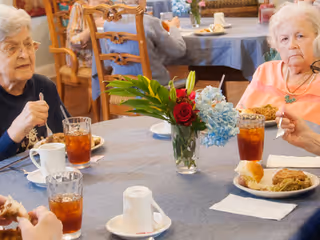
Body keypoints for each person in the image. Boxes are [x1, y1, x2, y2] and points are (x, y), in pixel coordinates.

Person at [0, 5, 70, 160]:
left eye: (28, 44)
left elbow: (69, 135)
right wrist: (16, 130)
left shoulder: (44, 86)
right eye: (11, 48)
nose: (24, 54)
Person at [237, 3, 320, 124]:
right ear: (277, 45)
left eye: (300, 36)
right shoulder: (264, 72)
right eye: (284, 39)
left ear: (317, 38)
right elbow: (239, 116)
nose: (292, 45)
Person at [66, 0, 110, 68]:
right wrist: (93, 26)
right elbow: (73, 41)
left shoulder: (111, 6)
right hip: (84, 60)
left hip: (106, 57)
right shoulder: (79, 7)